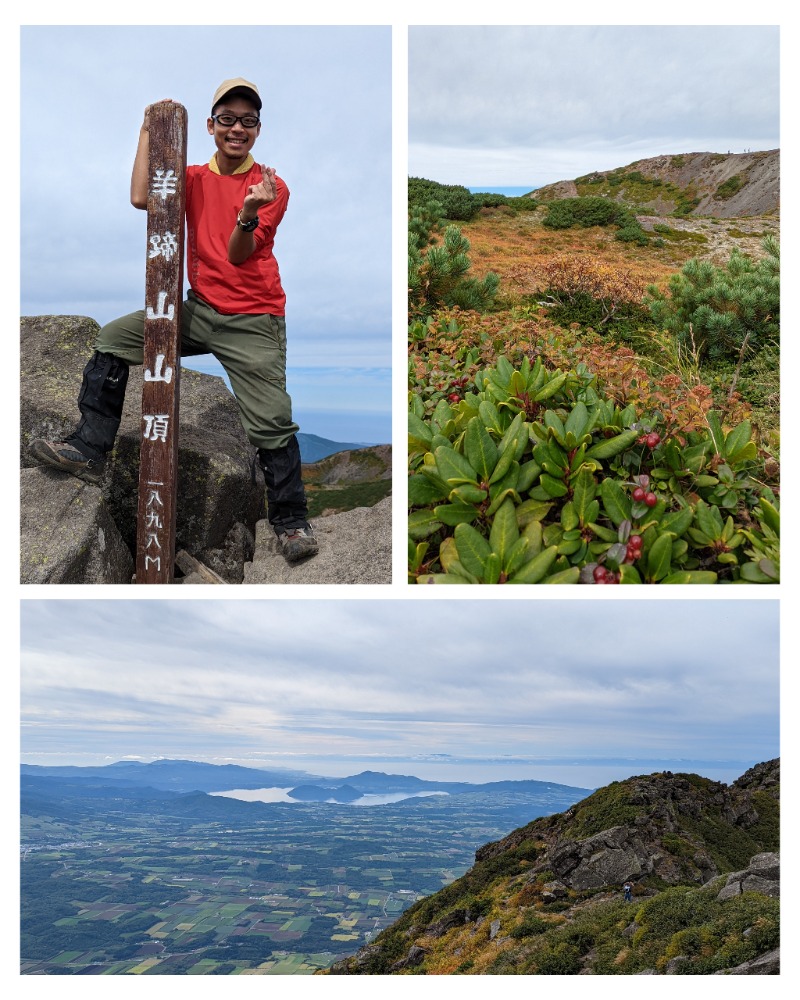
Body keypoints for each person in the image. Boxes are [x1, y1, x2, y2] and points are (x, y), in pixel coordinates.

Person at [30, 78, 318, 563]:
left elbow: (239, 254)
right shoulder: (191, 177)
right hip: (198, 308)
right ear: (210, 126)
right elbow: (142, 197)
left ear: (258, 130)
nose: (237, 128)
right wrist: (147, 130)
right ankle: (89, 447)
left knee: (271, 420)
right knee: (114, 338)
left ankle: (290, 522)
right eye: (227, 119)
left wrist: (248, 212)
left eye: (248, 121)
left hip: (253, 318)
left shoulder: (271, 186)